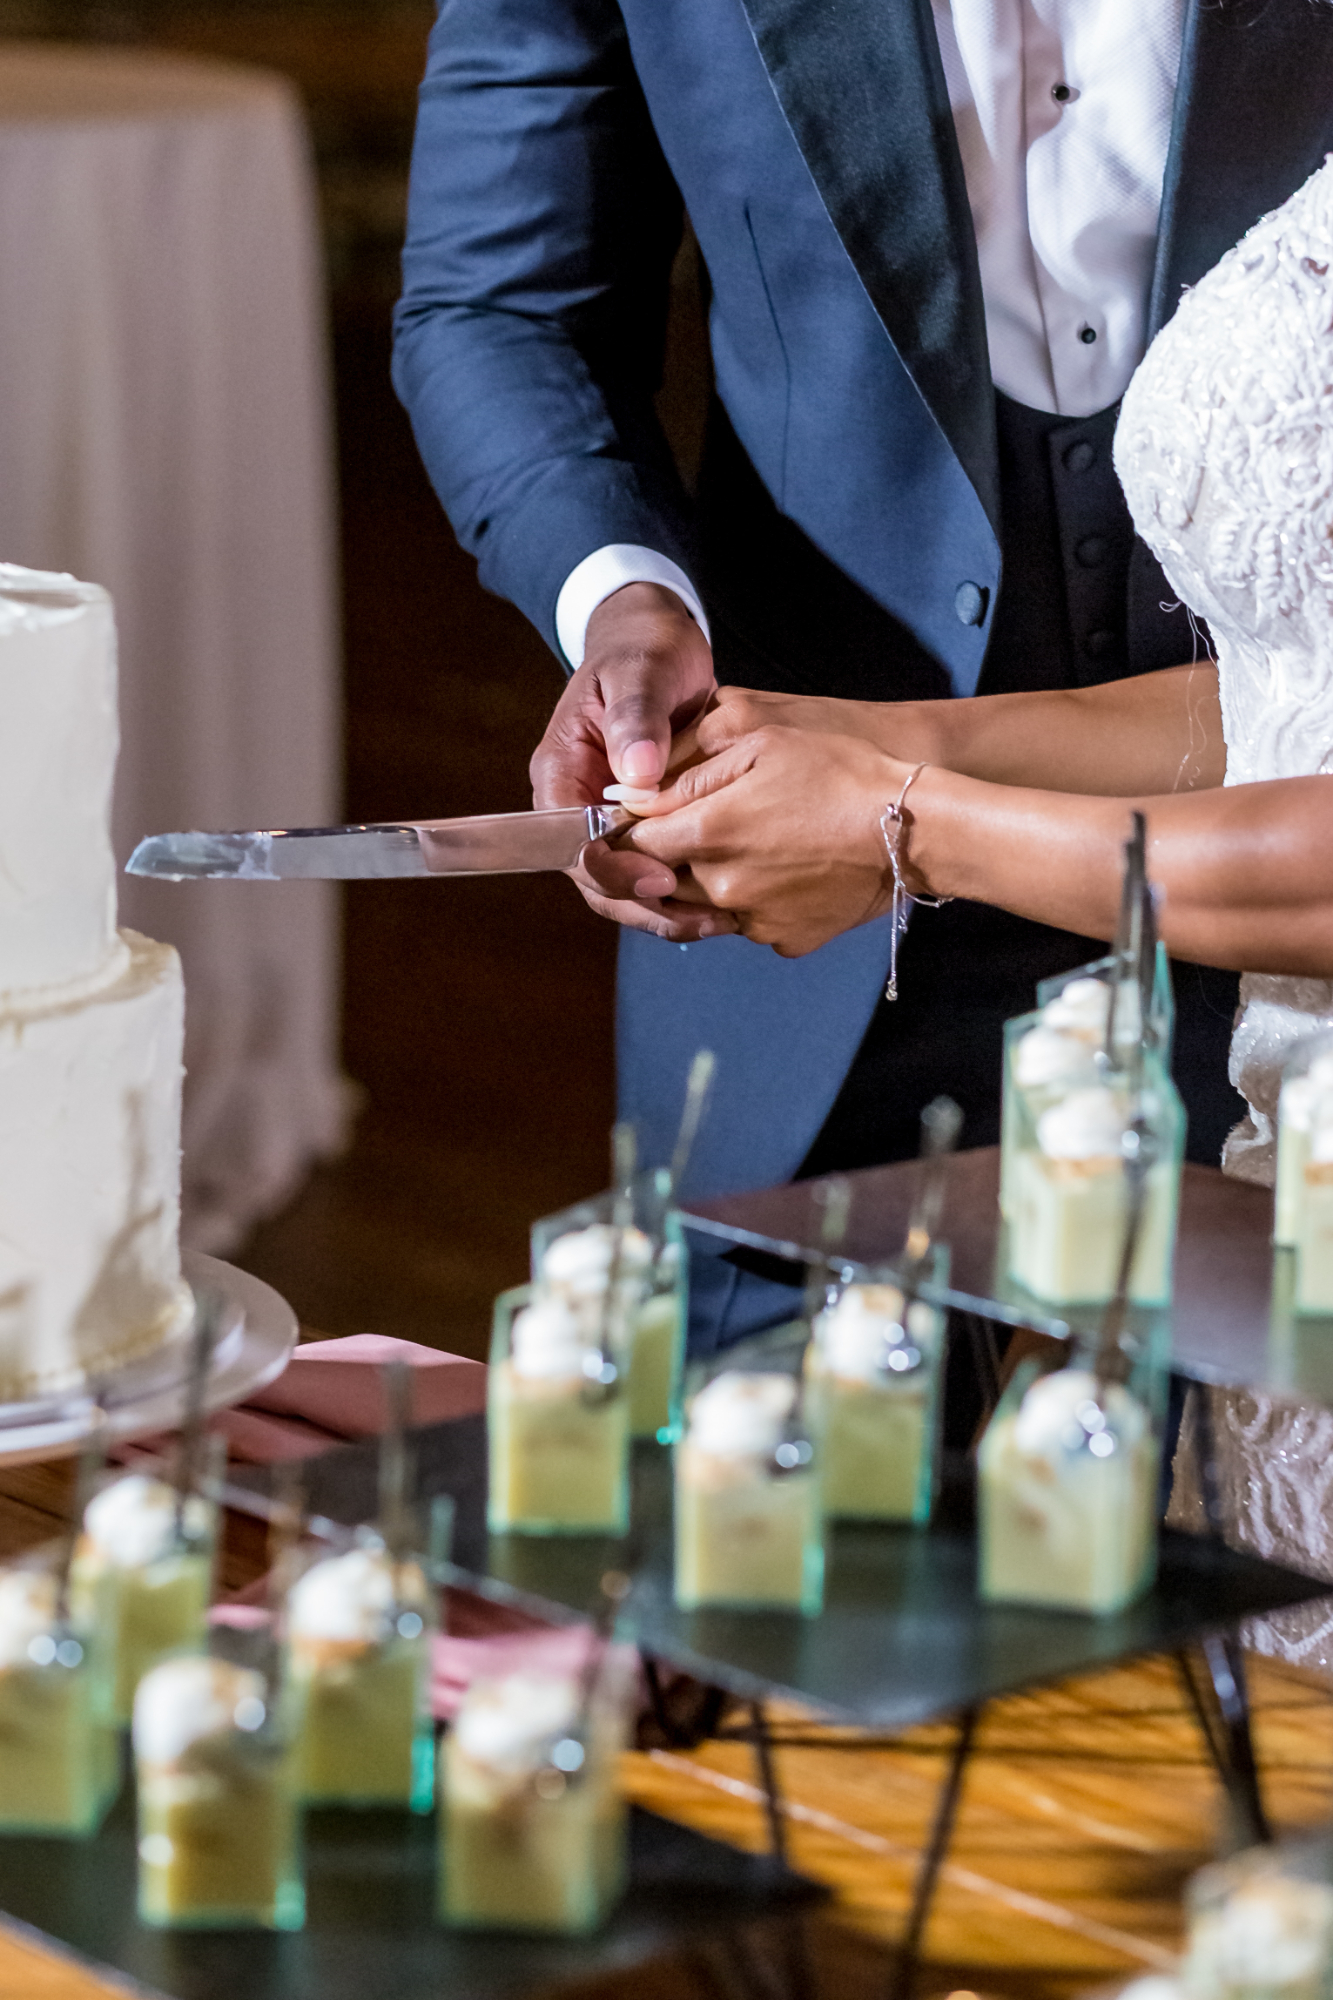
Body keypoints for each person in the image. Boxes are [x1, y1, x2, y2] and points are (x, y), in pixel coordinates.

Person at [393, 0, 1333, 1344]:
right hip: (798, 915)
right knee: (766, 1510)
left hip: (1284, 947)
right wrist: (622, 601)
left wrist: (896, 810)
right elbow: (498, 298)